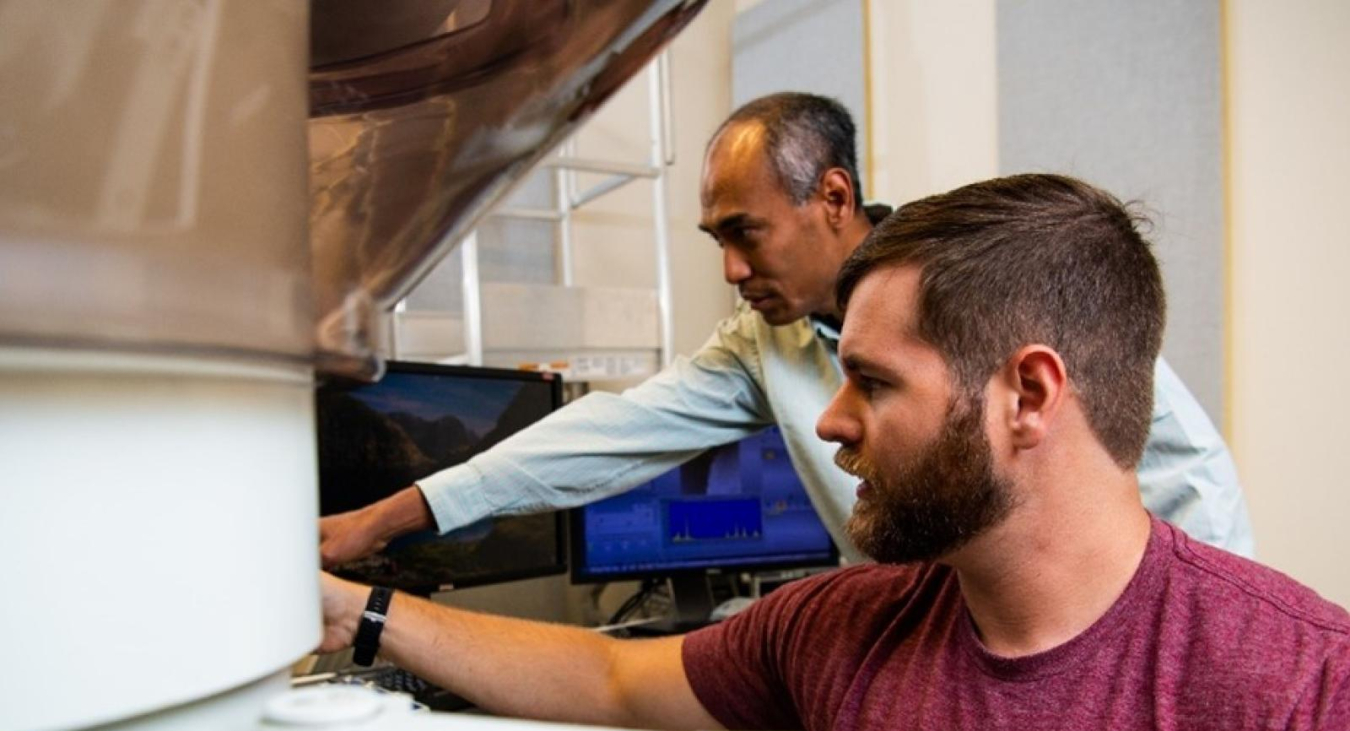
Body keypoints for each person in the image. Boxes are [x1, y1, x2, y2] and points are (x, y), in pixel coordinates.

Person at [319, 174, 1349, 731]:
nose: (826, 421)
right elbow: (613, 677)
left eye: (875, 382)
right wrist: (360, 611)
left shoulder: (1306, 702)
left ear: (1027, 395)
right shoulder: (847, 623)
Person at [319, 93, 1254, 569]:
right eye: (714, 238)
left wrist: (1188, 652)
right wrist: (385, 518)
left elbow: (1177, 463)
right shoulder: (763, 342)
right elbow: (599, 438)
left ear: (834, 198)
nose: (729, 269)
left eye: (745, 232)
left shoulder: (989, 272)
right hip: (927, 651)